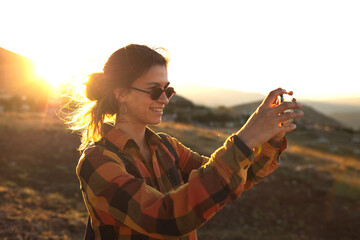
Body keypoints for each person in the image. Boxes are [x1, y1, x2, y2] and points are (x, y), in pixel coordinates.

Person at [70, 44, 303, 240]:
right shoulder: (97, 161)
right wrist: (244, 139)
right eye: (154, 91)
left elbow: (237, 176)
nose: (164, 99)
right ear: (121, 94)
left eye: (167, 90)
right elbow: (165, 218)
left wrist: (272, 137)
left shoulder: (167, 148)